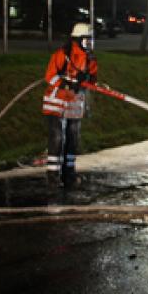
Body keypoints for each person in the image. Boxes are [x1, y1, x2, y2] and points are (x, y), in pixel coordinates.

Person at [42, 23, 98, 188]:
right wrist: (65, 85)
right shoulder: (63, 55)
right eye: (86, 40)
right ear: (77, 39)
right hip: (56, 102)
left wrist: (86, 81)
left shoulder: (90, 59)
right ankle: (52, 175)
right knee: (57, 138)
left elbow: (93, 78)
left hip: (74, 102)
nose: (89, 43)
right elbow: (50, 76)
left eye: (90, 40)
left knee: (73, 138)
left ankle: (69, 174)